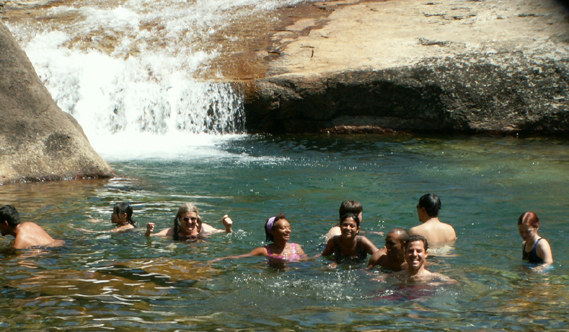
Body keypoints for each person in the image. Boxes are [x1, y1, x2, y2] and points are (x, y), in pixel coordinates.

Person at [212, 213, 306, 263]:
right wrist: (219, 260)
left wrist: (320, 255)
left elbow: (308, 262)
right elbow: (241, 257)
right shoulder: (264, 251)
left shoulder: (296, 248)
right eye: (283, 228)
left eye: (289, 228)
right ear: (272, 232)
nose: (288, 231)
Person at [145, 202, 232, 240]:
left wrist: (228, 227)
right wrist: (148, 232)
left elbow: (226, 233)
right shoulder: (173, 231)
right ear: (179, 219)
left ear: (197, 219)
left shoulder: (203, 229)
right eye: (186, 219)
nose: (189, 222)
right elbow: (151, 237)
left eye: (193, 219)